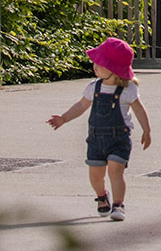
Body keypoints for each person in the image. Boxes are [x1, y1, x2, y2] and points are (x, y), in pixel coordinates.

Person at [48, 37, 151, 221]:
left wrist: (147, 130)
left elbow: (139, 110)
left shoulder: (128, 90)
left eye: (100, 63)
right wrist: (63, 118)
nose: (94, 66)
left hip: (119, 139)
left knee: (115, 170)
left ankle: (118, 204)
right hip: (96, 139)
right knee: (96, 175)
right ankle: (102, 195)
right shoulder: (93, 87)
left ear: (113, 69)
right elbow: (81, 106)